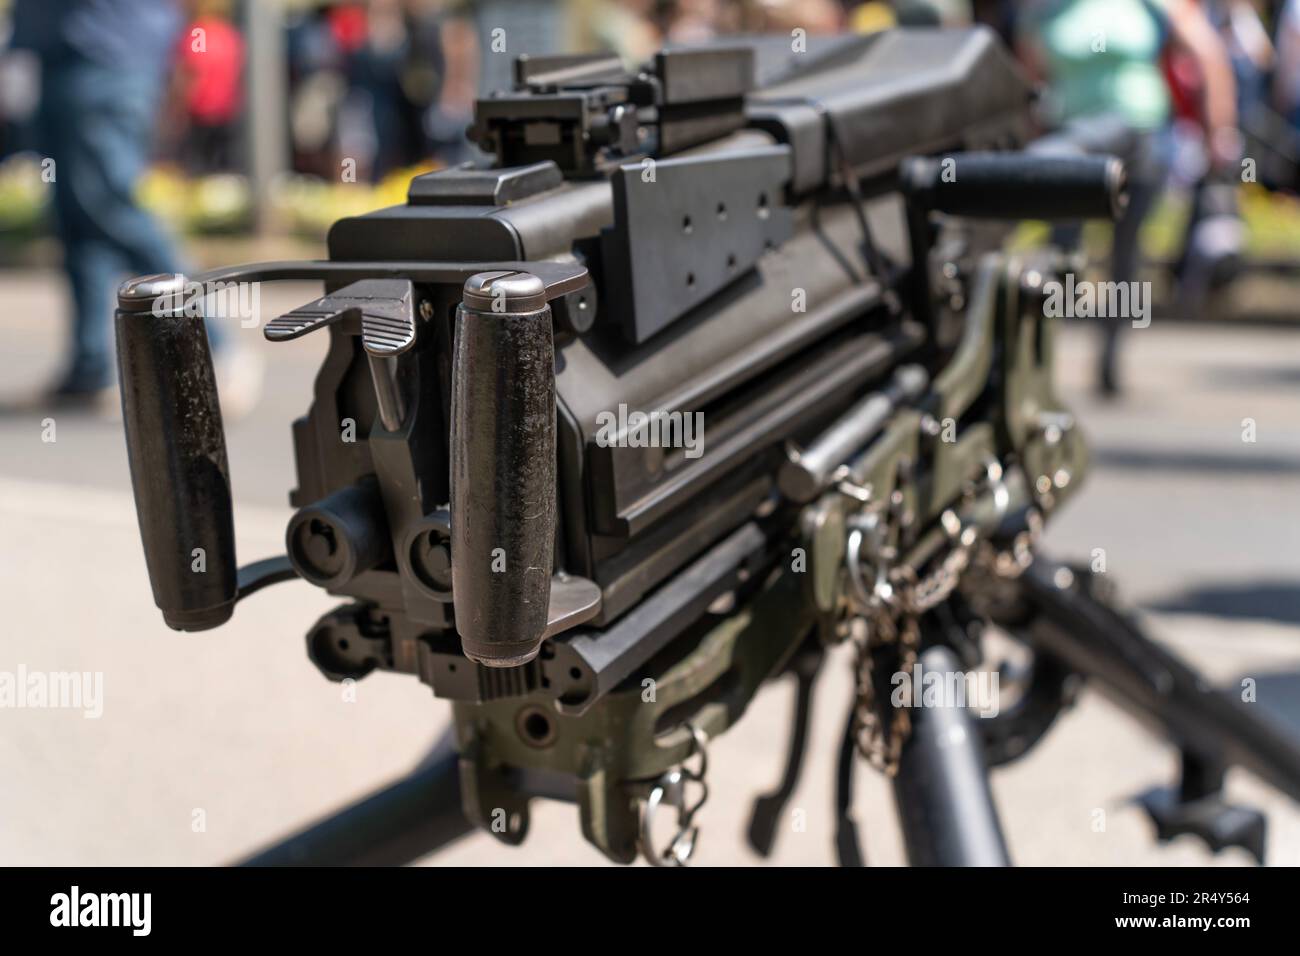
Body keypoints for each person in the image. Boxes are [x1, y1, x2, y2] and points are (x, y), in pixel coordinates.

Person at [11, 0, 257, 415]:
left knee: (115, 210)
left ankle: (216, 344)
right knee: (79, 223)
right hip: (65, 56)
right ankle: (89, 368)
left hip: (102, 55)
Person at [1018, 0, 1238, 395]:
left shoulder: (1150, 5)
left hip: (1138, 141)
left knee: (1126, 254)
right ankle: (1044, 357)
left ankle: (1110, 355)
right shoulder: (1046, 10)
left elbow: (1207, 54)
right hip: (1073, 142)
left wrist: (1218, 130)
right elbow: (1028, 77)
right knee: (1061, 254)